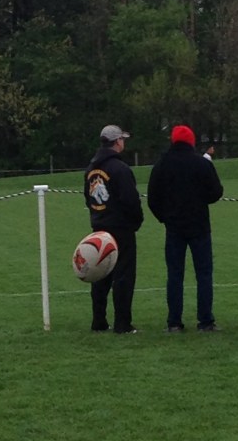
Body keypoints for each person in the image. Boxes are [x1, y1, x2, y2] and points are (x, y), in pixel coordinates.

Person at [147, 125, 224, 332]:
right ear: (191, 141)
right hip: (199, 225)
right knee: (204, 274)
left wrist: (165, 217)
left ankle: (174, 322)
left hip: (174, 227)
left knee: (175, 274)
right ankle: (205, 321)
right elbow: (216, 192)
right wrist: (201, 201)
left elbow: (153, 198)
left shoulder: (162, 165)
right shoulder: (201, 164)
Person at [84, 124, 144, 334]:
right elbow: (130, 200)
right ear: (117, 142)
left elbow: (88, 198)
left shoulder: (91, 168)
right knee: (124, 276)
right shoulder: (120, 169)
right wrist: (136, 221)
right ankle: (122, 323)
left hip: (99, 227)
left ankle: (99, 321)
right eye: (122, 140)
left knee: (100, 274)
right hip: (121, 228)